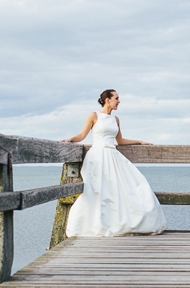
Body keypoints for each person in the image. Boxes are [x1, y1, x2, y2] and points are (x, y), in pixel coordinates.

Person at [61, 89, 167, 237]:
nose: (119, 101)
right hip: (97, 157)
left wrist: (139, 141)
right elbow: (82, 135)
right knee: (97, 190)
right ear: (107, 100)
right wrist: (70, 139)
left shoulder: (115, 119)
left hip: (112, 155)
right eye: (116, 98)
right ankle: (93, 224)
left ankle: (119, 223)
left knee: (125, 187)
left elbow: (120, 141)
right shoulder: (94, 115)